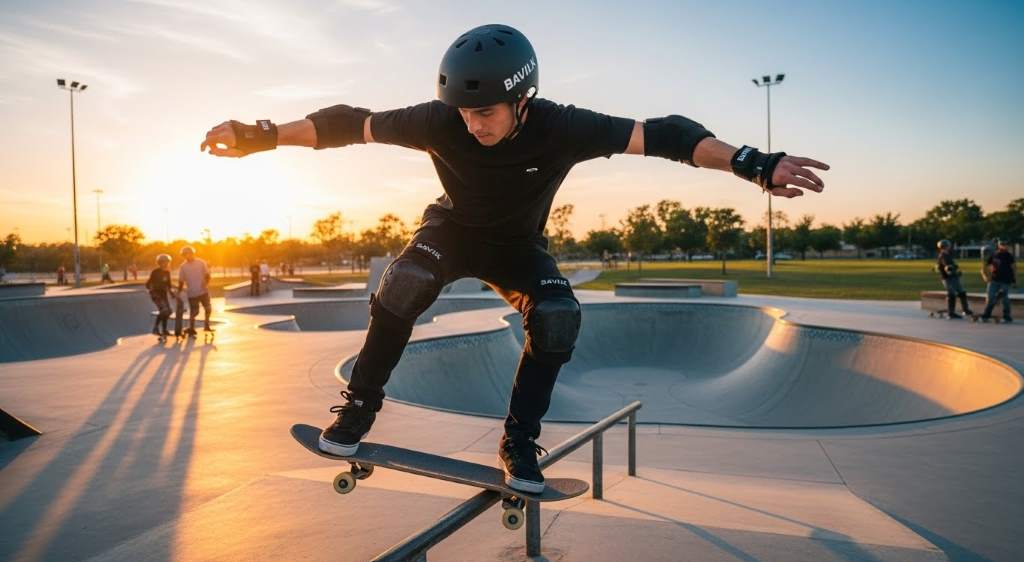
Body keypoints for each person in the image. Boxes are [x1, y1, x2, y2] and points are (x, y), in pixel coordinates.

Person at [200, 24, 828, 493]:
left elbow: (666, 135)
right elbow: (346, 124)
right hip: (451, 231)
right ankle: (361, 404)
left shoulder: (564, 126)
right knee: (406, 282)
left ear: (523, 100)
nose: (473, 125)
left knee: (558, 318)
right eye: (465, 113)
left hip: (519, 248)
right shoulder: (437, 121)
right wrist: (259, 137)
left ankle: (518, 441)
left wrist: (753, 162)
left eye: (486, 112)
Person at [177, 246, 213, 335]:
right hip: (192, 293)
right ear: (184, 256)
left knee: (208, 308)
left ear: (193, 253)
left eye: (190, 254)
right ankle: (191, 328)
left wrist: (206, 283)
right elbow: (181, 281)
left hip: (203, 291)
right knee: (195, 311)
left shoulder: (201, 262)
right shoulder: (183, 267)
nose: (188, 256)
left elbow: (207, 275)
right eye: (186, 255)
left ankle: (206, 326)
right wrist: (179, 292)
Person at [980, 239, 1017, 322]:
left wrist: (1014, 281)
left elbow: (1014, 268)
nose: (1004, 246)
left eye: (1005, 244)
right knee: (990, 297)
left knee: (1005, 299)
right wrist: (984, 276)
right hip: (994, 280)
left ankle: (1006, 316)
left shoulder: (1009, 256)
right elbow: (984, 267)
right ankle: (986, 314)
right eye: (1002, 244)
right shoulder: (994, 255)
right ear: (999, 245)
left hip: (1006, 280)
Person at [935, 239, 974, 319]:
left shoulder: (947, 255)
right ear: (945, 246)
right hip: (948, 278)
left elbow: (951, 266)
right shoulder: (943, 255)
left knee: (962, 293)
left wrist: (956, 271)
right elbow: (948, 268)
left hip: (953, 277)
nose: (949, 247)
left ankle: (965, 310)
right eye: (948, 246)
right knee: (952, 294)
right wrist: (954, 271)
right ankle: (951, 313)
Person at [146, 254, 174, 339]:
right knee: (164, 310)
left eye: (166, 262)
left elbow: (168, 285)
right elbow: (148, 284)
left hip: (163, 294)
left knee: (168, 311)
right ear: (159, 263)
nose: (165, 264)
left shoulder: (167, 272)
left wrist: (171, 293)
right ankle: (155, 328)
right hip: (156, 294)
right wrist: (152, 290)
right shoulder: (155, 272)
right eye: (163, 262)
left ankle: (164, 330)